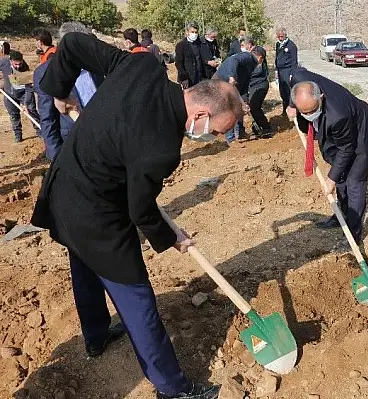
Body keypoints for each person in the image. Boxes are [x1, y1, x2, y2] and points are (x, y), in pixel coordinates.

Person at [32, 32, 242, 399]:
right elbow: (140, 209)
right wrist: (171, 237)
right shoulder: (162, 148)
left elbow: (76, 43)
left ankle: (96, 337)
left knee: (83, 264)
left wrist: (57, 88)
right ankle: (172, 388)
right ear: (202, 114)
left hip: (63, 186)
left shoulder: (143, 66)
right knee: (138, 299)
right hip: (95, 212)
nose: (212, 137)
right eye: (217, 131)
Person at [287, 68, 368, 250]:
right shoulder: (298, 80)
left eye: (312, 110)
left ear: (321, 97)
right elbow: (294, 77)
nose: (308, 116)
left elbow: (346, 149)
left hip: (363, 134)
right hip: (340, 134)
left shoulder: (338, 115)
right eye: (303, 112)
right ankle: (341, 216)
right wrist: (292, 106)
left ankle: (353, 235)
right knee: (340, 175)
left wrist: (330, 179)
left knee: (354, 180)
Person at [33, 22, 103, 160]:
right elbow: (48, 119)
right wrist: (56, 157)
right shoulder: (45, 73)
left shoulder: (97, 65)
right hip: (73, 141)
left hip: (103, 137)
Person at [213, 38, 257, 143]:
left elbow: (245, 85)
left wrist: (245, 101)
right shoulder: (247, 56)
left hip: (234, 84)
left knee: (240, 106)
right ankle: (230, 138)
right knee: (229, 108)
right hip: (220, 81)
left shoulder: (251, 66)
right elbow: (233, 60)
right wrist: (232, 76)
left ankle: (241, 132)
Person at [0, 49, 40, 143]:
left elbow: (29, 89)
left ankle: (40, 131)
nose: (18, 66)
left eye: (20, 64)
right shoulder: (4, 62)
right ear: (11, 61)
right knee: (14, 116)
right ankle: (18, 135)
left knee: (31, 111)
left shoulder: (24, 68)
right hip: (9, 93)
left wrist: (26, 103)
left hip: (23, 93)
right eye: (15, 64)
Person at [175, 23, 213, 89]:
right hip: (187, 79)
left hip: (199, 78)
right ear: (187, 32)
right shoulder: (181, 45)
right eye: (192, 32)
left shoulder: (200, 44)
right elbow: (179, 63)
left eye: (196, 32)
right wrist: (184, 78)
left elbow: (201, 59)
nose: (194, 34)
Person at [248, 45, 272, 138]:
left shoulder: (259, 63)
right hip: (254, 86)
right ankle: (258, 127)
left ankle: (265, 128)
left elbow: (254, 73)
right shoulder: (253, 61)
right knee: (253, 107)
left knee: (254, 107)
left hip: (260, 86)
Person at [275, 28, 298, 115]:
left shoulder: (291, 46)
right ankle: (284, 110)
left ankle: (291, 110)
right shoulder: (278, 44)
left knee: (288, 91)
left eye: (282, 36)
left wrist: (292, 74)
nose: (280, 38)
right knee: (282, 91)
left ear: (285, 35)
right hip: (280, 71)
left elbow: (294, 61)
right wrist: (276, 71)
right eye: (278, 36)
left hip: (287, 70)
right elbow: (277, 57)